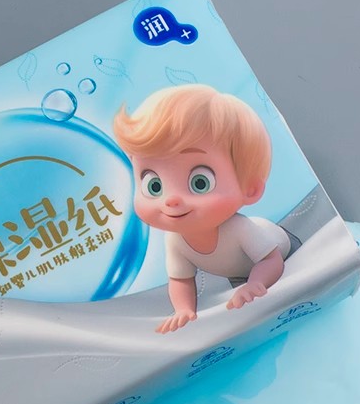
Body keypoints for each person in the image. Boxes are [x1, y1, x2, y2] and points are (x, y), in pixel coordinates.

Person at [113, 84, 290, 333]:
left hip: (281, 248)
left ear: (250, 189)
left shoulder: (239, 228)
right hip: (239, 273)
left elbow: (271, 260)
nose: (171, 200)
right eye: (154, 185)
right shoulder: (175, 240)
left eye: (200, 183)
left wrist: (256, 283)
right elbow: (180, 280)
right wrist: (184, 309)